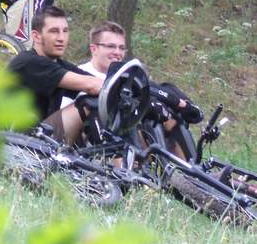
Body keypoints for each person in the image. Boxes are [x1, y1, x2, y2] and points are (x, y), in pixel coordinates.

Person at [74, 20, 204, 158]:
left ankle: (190, 167)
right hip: (96, 141)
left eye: (121, 48)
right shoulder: (80, 75)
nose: (117, 52)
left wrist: (178, 104)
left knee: (162, 111)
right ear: (94, 48)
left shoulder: (128, 76)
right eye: (111, 46)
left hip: (134, 133)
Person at [8, 6, 101, 144]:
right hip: (14, 142)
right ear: (36, 36)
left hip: (38, 139)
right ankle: (115, 157)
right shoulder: (28, 62)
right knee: (89, 104)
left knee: (103, 101)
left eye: (65, 31)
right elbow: (91, 85)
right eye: (54, 31)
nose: (61, 38)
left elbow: (97, 81)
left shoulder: (58, 65)